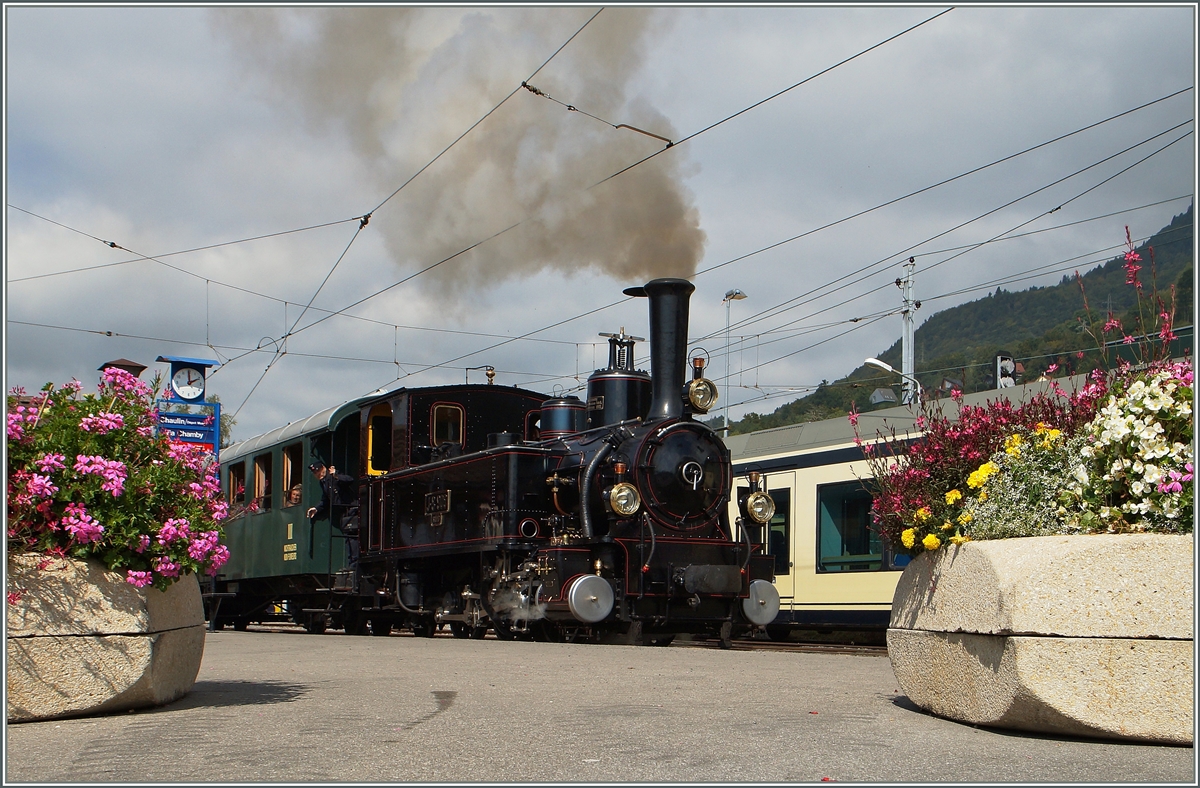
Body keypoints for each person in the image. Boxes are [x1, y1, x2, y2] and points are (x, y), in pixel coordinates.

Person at [307, 461, 359, 568]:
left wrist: (335, 475)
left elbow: (349, 480)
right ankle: (351, 563)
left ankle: (355, 563)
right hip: (343, 512)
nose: (318, 474)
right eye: (315, 473)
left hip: (351, 508)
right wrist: (316, 508)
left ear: (323, 468)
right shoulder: (323, 482)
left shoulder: (335, 476)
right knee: (348, 538)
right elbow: (326, 499)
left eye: (319, 471)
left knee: (352, 536)